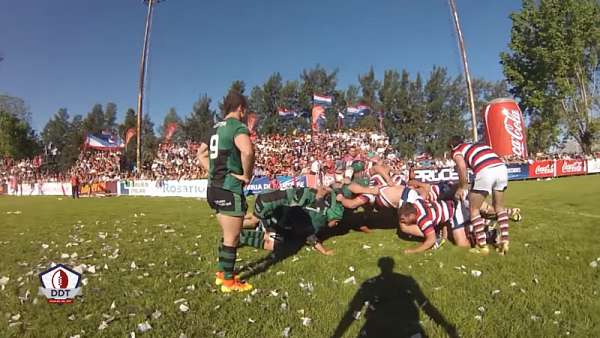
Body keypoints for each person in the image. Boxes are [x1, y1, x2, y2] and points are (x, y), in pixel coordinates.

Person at [198, 91, 255, 293]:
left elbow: (200, 154)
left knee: (227, 234)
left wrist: (212, 170)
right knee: (233, 237)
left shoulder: (214, 128)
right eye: (245, 110)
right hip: (229, 188)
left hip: (213, 189)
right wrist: (246, 175)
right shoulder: (237, 127)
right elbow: (248, 151)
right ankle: (229, 282)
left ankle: (222, 274)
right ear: (241, 108)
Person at [449, 135, 510, 255]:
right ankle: (505, 241)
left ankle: (482, 246)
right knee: (499, 207)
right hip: (502, 168)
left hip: (485, 170)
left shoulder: (456, 151)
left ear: (452, 146)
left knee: (474, 209)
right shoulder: (478, 145)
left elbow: (461, 167)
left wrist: (462, 187)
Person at [398, 198, 471, 253]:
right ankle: (442, 234)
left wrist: (413, 251)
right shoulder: (417, 202)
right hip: (448, 206)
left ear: (411, 216)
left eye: (403, 219)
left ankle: (476, 240)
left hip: (457, 209)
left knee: (461, 244)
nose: (402, 221)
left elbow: (431, 240)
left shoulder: (423, 219)